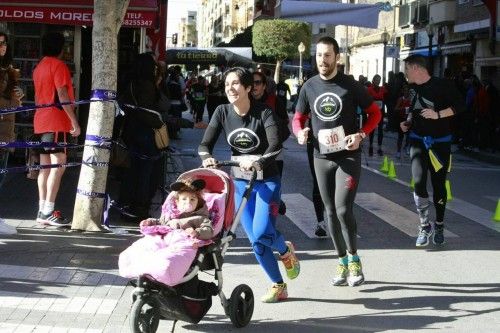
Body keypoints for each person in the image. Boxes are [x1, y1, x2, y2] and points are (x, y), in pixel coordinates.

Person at [198, 67, 300, 303]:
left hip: (267, 181)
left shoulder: (263, 112)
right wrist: (207, 158)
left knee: (263, 232)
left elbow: (275, 146)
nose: (230, 89)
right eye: (226, 85)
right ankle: (278, 285)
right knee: (255, 240)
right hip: (241, 183)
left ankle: (284, 251)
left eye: (235, 84)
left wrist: (258, 160)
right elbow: (205, 145)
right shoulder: (222, 112)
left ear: (247, 88)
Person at [292, 36, 381, 287]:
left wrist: (361, 134)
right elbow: (298, 117)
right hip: (321, 156)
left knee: (343, 209)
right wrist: (300, 132)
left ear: (337, 58)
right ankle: (341, 262)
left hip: (348, 155)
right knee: (329, 211)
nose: (323, 60)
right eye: (319, 55)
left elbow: (374, 113)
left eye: (327, 55)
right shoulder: (309, 86)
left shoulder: (350, 85)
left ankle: (354, 260)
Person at [400, 55, 464, 247]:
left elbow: (460, 106)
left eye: (406, 69)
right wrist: (407, 123)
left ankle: (439, 225)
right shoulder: (412, 88)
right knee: (418, 183)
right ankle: (424, 225)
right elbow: (414, 109)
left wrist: (438, 115)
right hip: (418, 141)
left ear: (416, 68)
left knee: (438, 186)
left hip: (440, 144)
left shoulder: (442, 85)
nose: (405, 73)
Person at [32, 32, 80, 226]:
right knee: (59, 165)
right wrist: (74, 122)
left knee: (45, 168)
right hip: (56, 121)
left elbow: (37, 98)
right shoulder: (58, 66)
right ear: (61, 48)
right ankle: (48, 211)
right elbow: (62, 93)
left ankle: (42, 210)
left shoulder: (38, 67)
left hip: (40, 120)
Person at [118, 53, 165, 220]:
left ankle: (128, 205)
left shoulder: (130, 82)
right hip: (146, 133)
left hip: (131, 131)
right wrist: (161, 122)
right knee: (146, 174)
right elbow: (148, 112)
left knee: (133, 171)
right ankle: (140, 208)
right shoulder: (146, 85)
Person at [252, 71, 289, 215]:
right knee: (253, 183)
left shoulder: (275, 100)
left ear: (264, 86)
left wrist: (275, 137)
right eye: (252, 83)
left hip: (274, 149)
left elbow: (285, 122)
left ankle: (276, 200)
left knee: (274, 180)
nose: (254, 86)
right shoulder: (245, 100)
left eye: (258, 83)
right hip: (253, 150)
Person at [140, 178, 213, 240]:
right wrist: (150, 222)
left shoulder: (201, 218)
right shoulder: (170, 214)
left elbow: (209, 231)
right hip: (165, 239)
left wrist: (197, 232)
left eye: (192, 199)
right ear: (177, 202)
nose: (188, 202)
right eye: (184, 199)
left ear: (198, 202)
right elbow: (161, 223)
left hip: (183, 241)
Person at [367, 74, 387, 156]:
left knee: (380, 130)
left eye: (379, 80)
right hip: (373, 112)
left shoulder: (382, 89)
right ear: (373, 80)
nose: (378, 81)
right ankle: (370, 146)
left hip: (381, 111)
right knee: (372, 129)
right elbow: (367, 100)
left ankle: (379, 147)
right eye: (377, 79)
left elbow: (386, 98)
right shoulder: (369, 89)